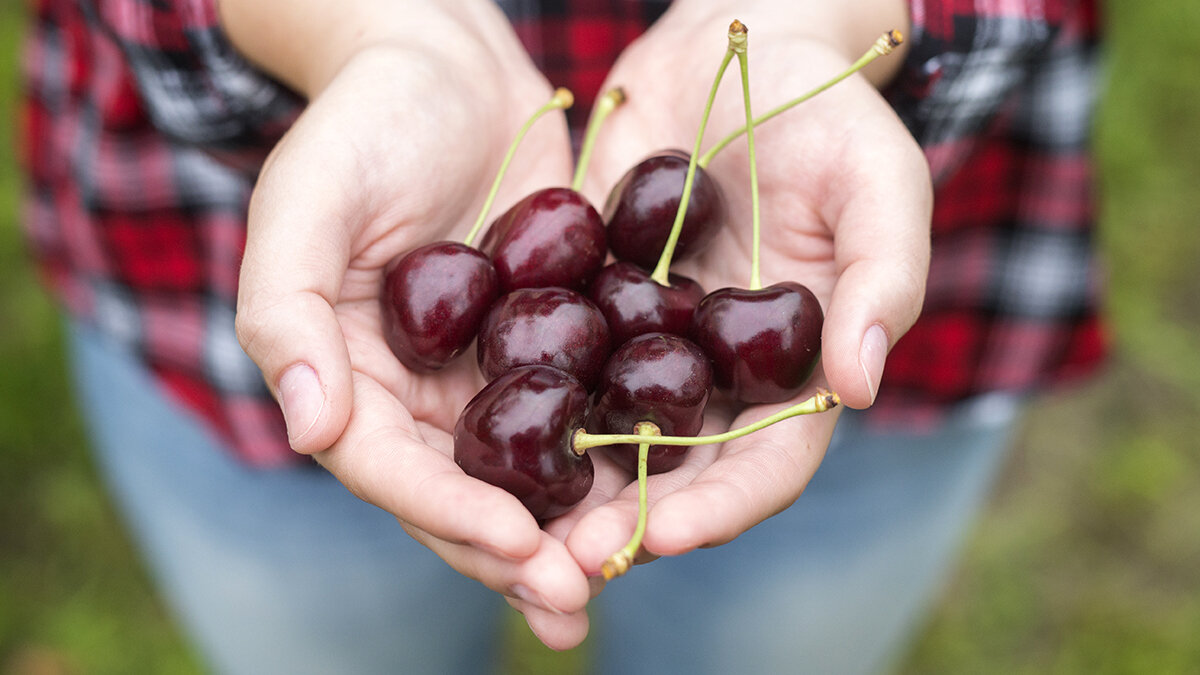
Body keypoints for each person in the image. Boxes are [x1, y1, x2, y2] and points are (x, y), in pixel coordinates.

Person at [21, 0, 1105, 672]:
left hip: (898, 293)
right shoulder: (540, 304)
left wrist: (819, 21)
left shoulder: (661, 310)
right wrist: (366, 27)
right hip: (214, 287)